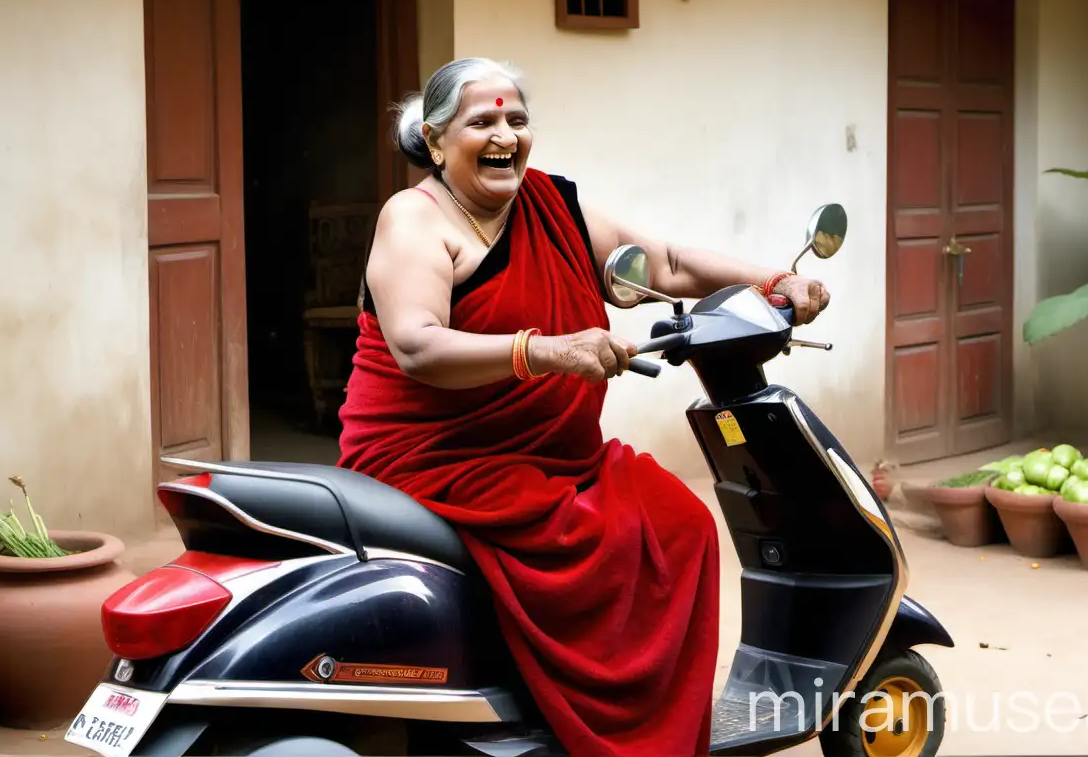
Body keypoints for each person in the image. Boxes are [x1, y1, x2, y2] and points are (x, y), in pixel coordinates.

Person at [336, 57, 830, 756]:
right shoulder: (415, 219)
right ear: (438, 142)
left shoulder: (552, 203)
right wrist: (544, 351)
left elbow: (665, 264)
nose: (503, 133)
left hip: (556, 458)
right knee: (590, 550)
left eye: (516, 120)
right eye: (481, 121)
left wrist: (775, 280)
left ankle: (653, 730)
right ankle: (595, 734)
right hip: (442, 461)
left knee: (681, 523)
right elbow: (417, 345)